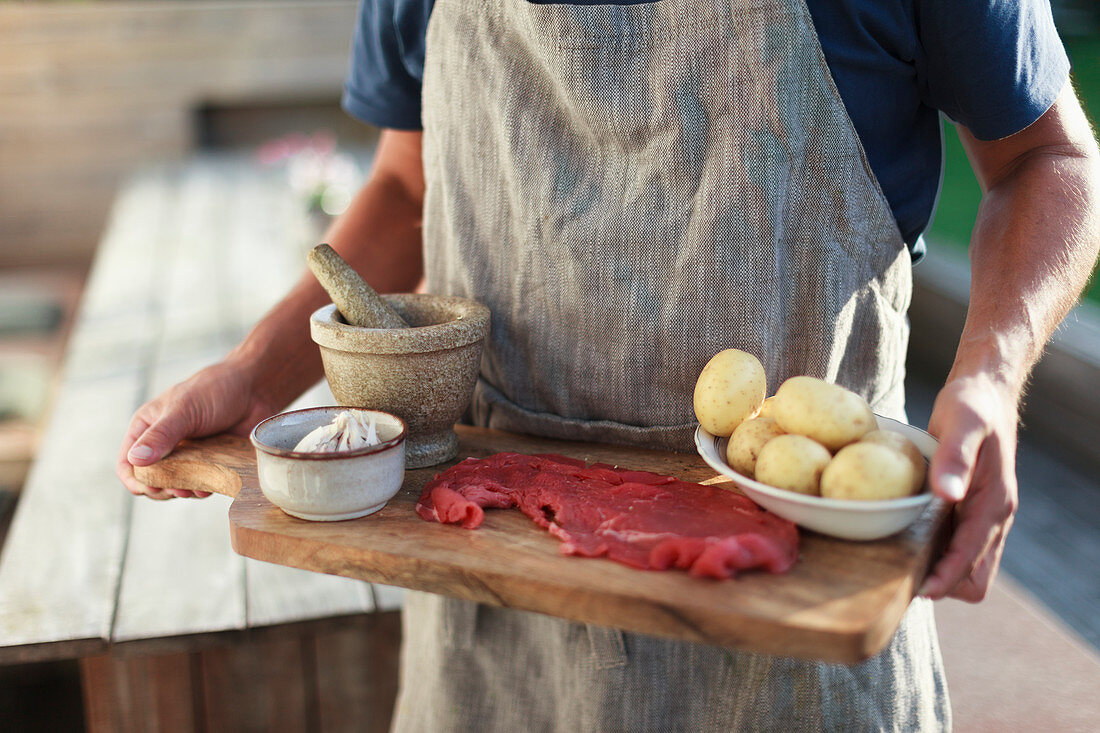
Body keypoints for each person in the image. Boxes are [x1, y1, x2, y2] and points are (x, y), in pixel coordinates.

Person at [118, 0, 1100, 729]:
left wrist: (990, 377)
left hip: (791, 601)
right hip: (496, 586)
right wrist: (255, 374)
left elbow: (1046, 162)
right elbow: (406, 188)